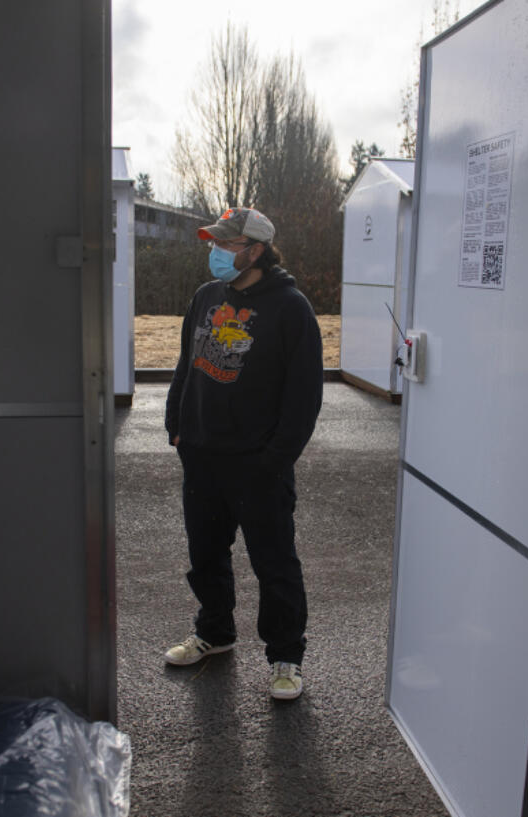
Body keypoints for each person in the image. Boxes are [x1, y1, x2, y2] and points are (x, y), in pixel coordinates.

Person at [163, 206, 324, 700]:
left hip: (258, 465)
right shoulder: (206, 297)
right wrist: (177, 426)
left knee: (274, 563)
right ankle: (214, 631)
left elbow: (304, 397)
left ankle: (285, 657)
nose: (216, 253)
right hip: (202, 455)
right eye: (214, 243)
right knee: (204, 555)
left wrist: (273, 461)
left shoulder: (290, 308)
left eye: (226, 245)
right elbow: (186, 366)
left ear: (255, 250)